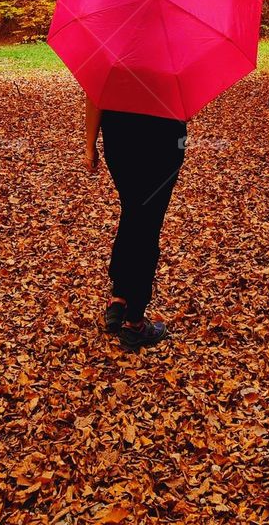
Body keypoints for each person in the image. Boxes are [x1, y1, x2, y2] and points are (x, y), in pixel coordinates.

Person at [85, 92, 186, 349]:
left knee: (133, 213)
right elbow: (187, 103)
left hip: (120, 138)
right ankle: (135, 321)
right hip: (164, 139)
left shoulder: (115, 52)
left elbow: (96, 93)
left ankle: (119, 299)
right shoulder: (174, 53)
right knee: (147, 224)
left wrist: (90, 145)